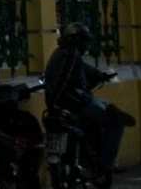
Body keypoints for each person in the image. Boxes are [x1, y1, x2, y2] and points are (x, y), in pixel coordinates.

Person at [43, 22, 134, 175]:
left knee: (102, 108)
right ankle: (105, 164)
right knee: (116, 122)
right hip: (74, 103)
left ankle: (91, 157)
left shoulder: (61, 53)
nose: (86, 45)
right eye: (83, 40)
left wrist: (99, 75)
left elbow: (83, 68)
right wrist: (56, 102)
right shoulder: (71, 55)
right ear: (76, 40)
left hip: (64, 103)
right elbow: (63, 79)